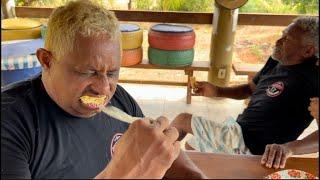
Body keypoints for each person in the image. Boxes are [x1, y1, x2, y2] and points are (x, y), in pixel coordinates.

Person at [1, 0, 206, 179]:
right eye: (88, 72)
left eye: (111, 73)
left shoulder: (120, 101)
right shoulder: (10, 122)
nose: (104, 89)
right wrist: (127, 172)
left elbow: (171, 160)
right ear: (47, 60)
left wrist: (196, 175)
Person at [171, 16, 319, 168]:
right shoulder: (276, 61)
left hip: (255, 148)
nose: (278, 42)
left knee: (182, 121)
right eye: (282, 35)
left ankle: (154, 163)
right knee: (192, 146)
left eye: (287, 39)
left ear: (307, 51)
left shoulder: (313, 80)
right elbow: (249, 89)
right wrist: (217, 91)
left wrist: (289, 148)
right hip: (239, 130)